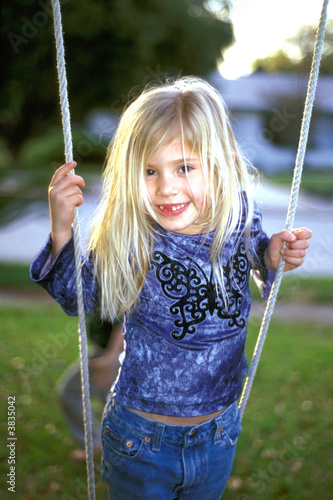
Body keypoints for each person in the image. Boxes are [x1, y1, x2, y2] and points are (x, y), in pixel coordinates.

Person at [30, 77, 312, 499]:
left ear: (216, 163)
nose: (166, 187)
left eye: (184, 167)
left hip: (218, 433)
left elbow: (257, 258)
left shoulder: (236, 217)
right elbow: (78, 296)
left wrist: (272, 256)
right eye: (149, 170)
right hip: (140, 440)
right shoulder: (133, 235)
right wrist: (61, 231)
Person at [56, 311, 123, 462]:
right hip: (109, 351)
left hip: (108, 353)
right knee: (109, 400)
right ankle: (112, 446)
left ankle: (96, 443)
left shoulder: (115, 288)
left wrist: (110, 358)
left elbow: (122, 323)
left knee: (70, 391)